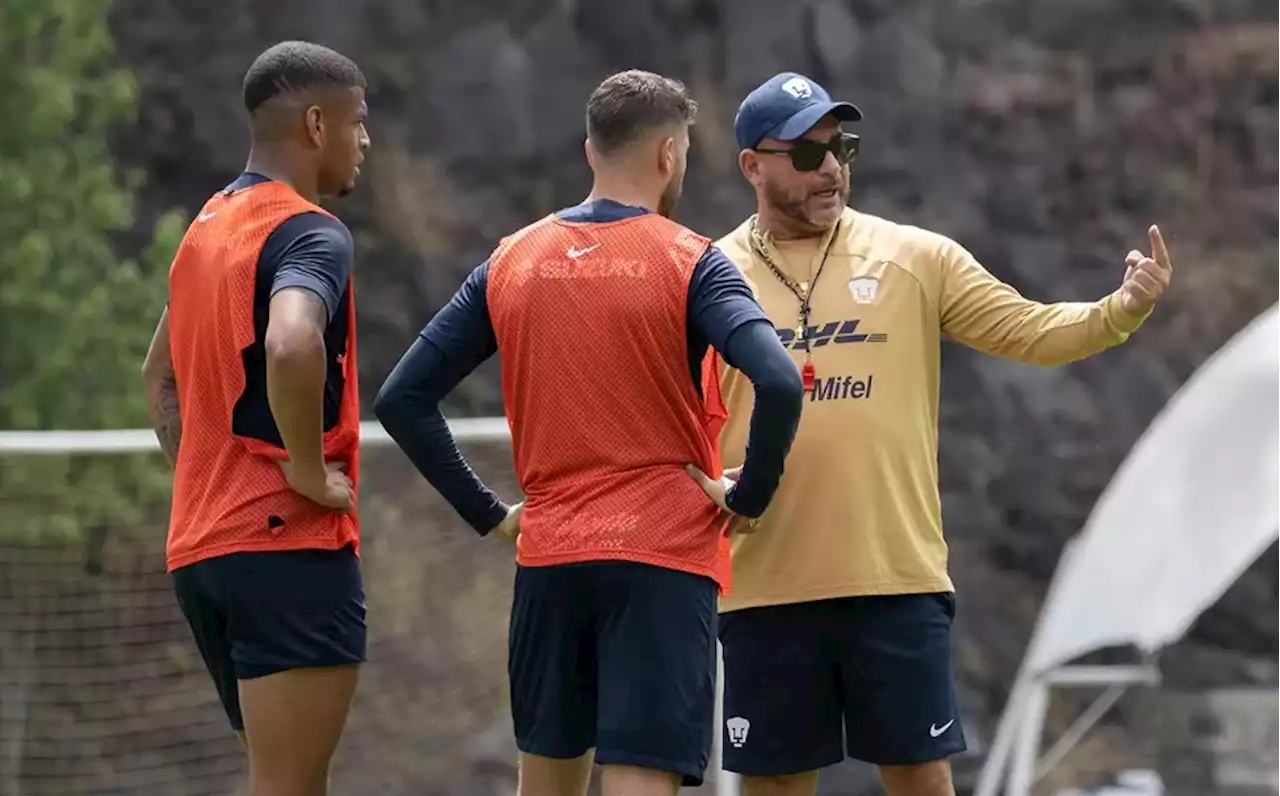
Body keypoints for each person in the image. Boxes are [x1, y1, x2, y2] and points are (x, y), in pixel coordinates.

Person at [703, 72, 1173, 796]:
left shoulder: (916, 257)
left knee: (922, 778)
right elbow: (661, 412)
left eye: (841, 147)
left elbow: (1031, 330)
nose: (830, 168)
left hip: (895, 577)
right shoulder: (707, 275)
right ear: (752, 166)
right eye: (806, 155)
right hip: (765, 584)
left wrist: (1122, 308)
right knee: (773, 785)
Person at [374, 70, 804, 796]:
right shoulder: (691, 261)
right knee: (638, 778)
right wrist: (748, 497)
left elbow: (402, 399)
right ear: (669, 154)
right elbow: (780, 380)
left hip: (551, 561)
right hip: (661, 561)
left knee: (545, 782)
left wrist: (488, 513)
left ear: (589, 150)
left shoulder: (510, 260)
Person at [140, 40, 371, 796]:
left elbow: (158, 376)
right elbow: (292, 339)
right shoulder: (308, 231)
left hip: (202, 553)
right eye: (357, 123)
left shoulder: (204, 230)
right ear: (315, 124)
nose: (365, 142)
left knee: (280, 778)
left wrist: (204, 475)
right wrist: (304, 470)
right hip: (285, 546)